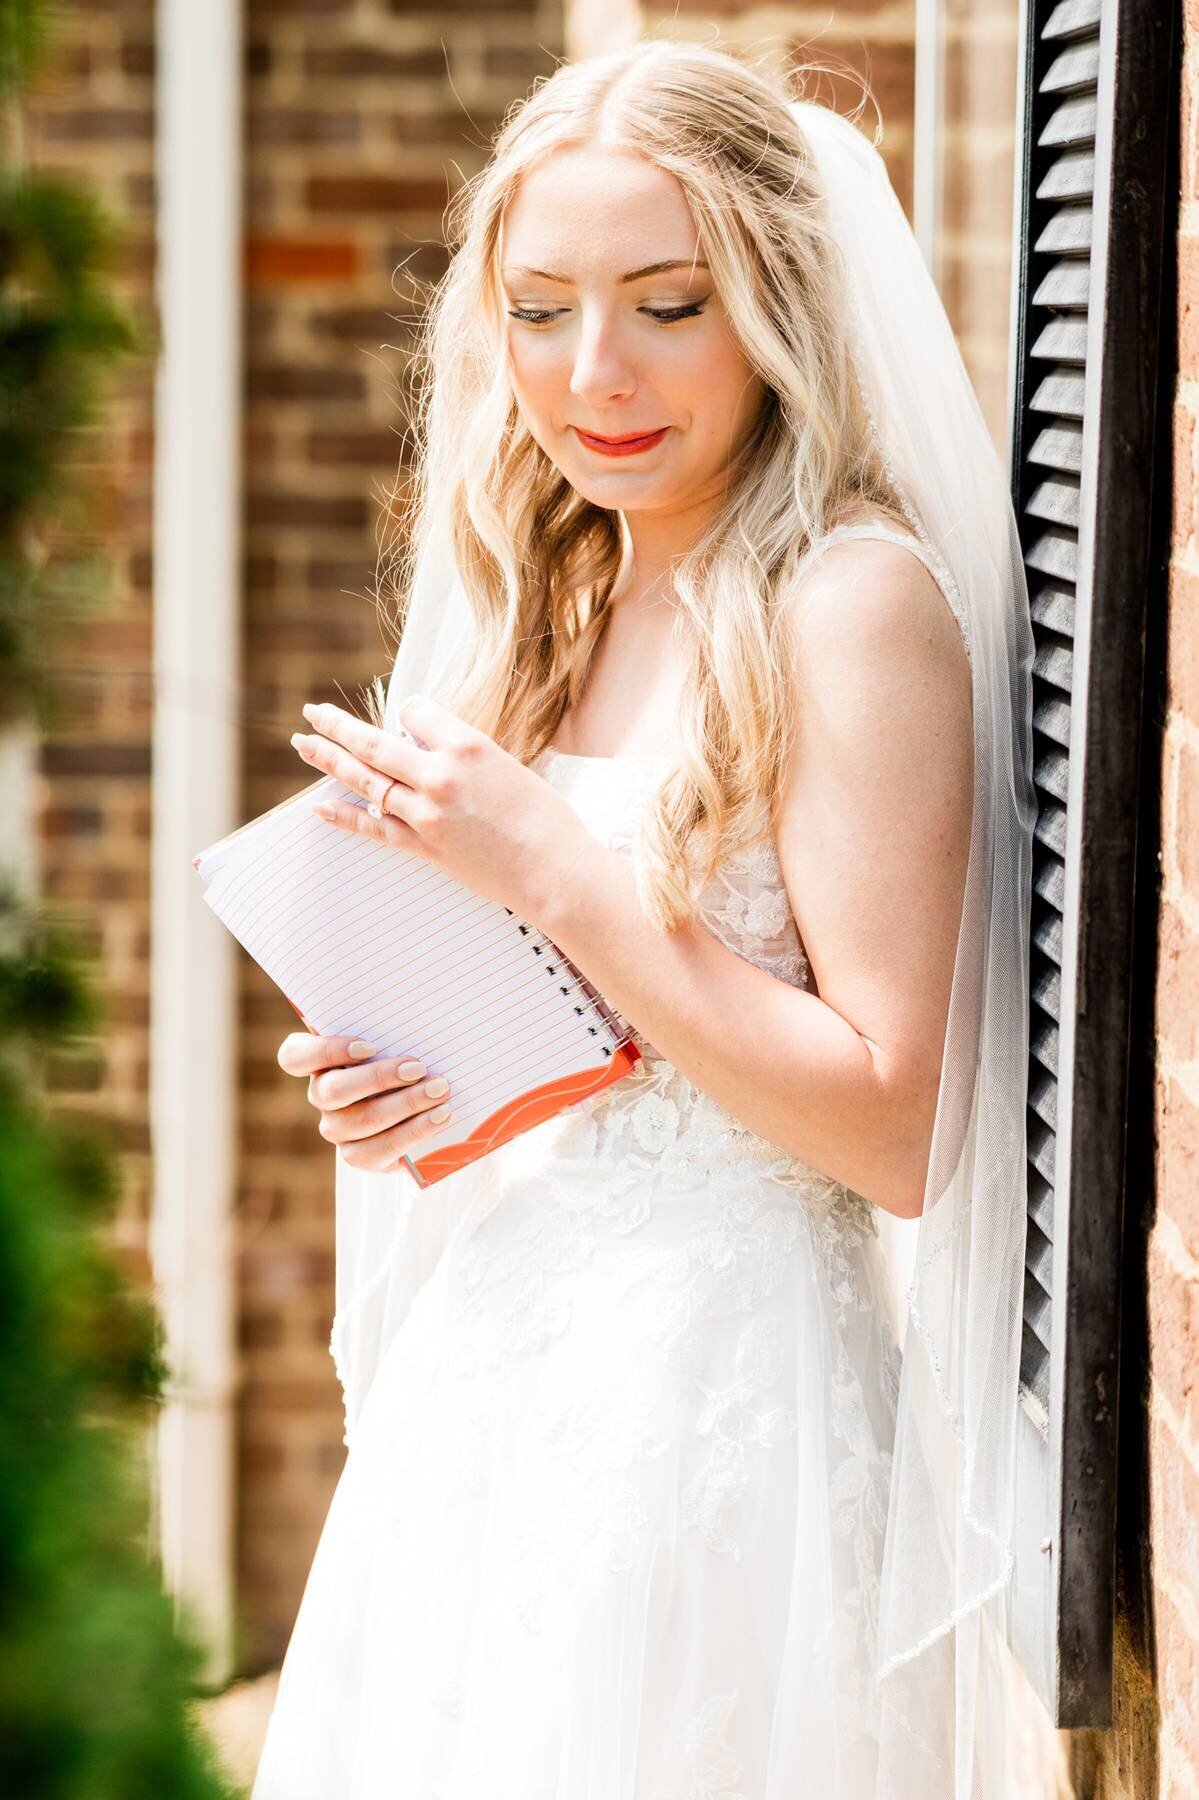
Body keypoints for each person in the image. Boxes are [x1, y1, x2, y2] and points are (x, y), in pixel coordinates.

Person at [252, 39, 1036, 1800]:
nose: (591, 373)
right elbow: (597, 1051)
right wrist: (415, 1080)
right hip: (499, 1401)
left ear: (769, 300)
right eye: (539, 311)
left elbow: (899, 1124)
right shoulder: (562, 597)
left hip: (725, 1419)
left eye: (665, 303)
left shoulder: (853, 605)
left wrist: (559, 875)